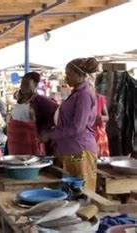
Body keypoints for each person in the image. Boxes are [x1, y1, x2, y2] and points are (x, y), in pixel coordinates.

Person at [40, 58, 98, 191]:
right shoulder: (76, 93)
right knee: (70, 193)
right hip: (70, 149)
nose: (66, 77)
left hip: (79, 150)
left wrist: (51, 135)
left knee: (82, 193)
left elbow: (78, 127)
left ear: (80, 76)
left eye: (69, 74)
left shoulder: (83, 95)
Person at [7, 73, 41, 155]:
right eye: (22, 84)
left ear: (35, 85)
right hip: (14, 144)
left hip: (27, 145)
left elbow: (36, 126)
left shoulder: (37, 102)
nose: (22, 86)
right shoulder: (20, 102)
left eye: (26, 84)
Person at [91, 82, 110, 157]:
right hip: (87, 132)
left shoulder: (100, 98)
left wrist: (98, 118)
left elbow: (107, 117)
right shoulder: (80, 99)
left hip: (98, 131)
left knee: (101, 155)